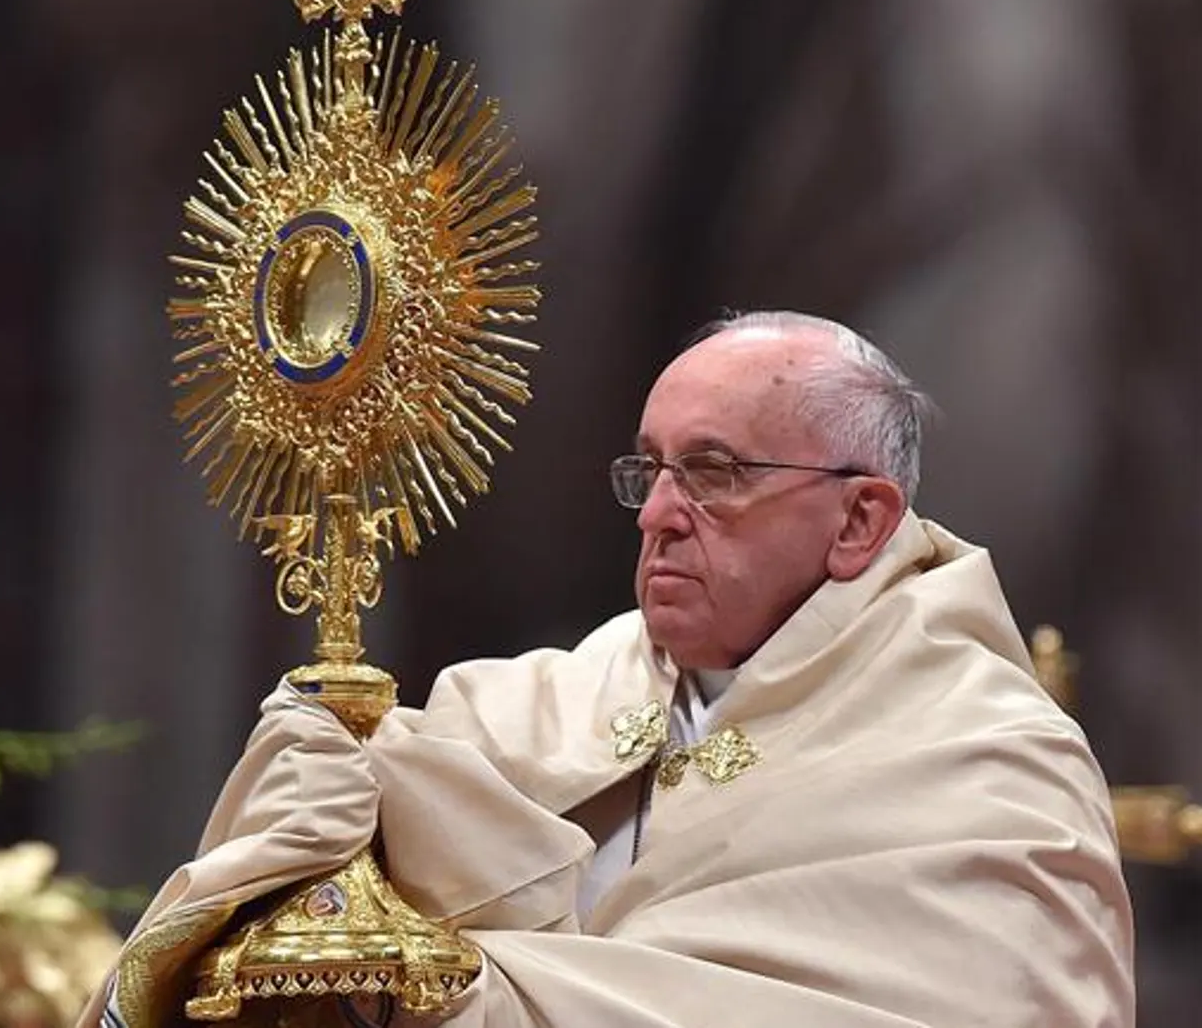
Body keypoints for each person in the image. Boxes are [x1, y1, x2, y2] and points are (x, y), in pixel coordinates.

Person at [82, 311, 1136, 1027]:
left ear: (860, 519)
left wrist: (471, 994)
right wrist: (316, 802)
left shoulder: (987, 762)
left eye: (715, 472)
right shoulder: (520, 709)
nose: (661, 513)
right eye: (652, 468)